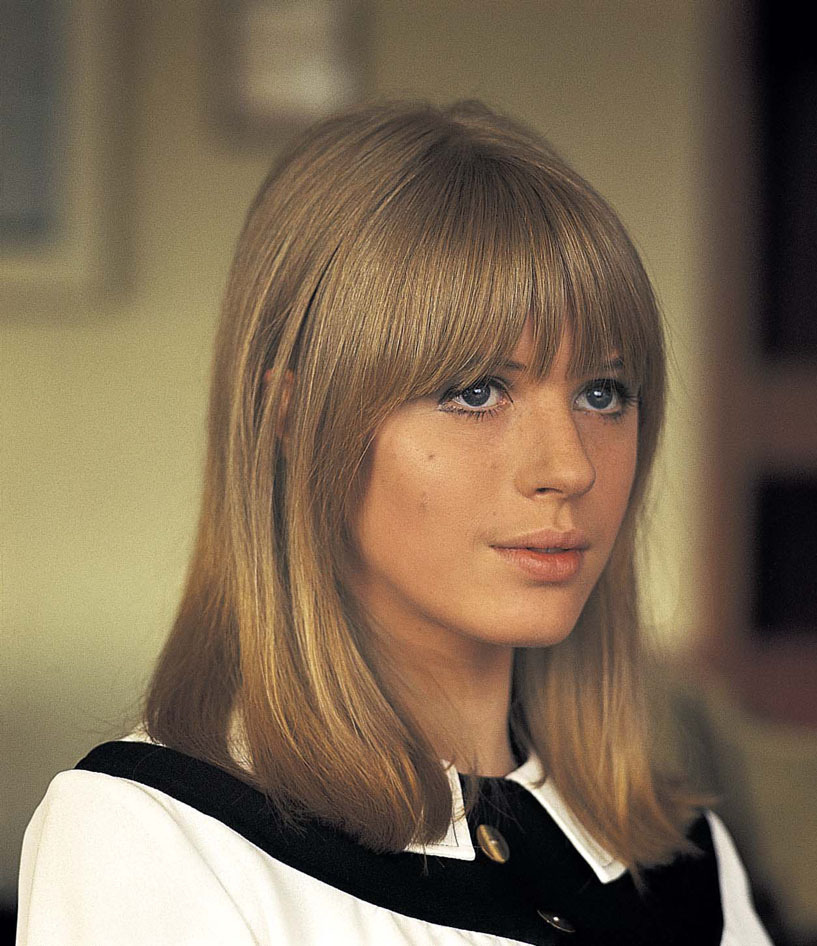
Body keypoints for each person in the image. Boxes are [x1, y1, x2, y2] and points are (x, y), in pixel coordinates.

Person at [16, 100, 772, 945]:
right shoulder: (158, 839)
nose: (571, 467)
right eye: (476, 392)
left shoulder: (691, 863)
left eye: (603, 392)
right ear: (295, 418)